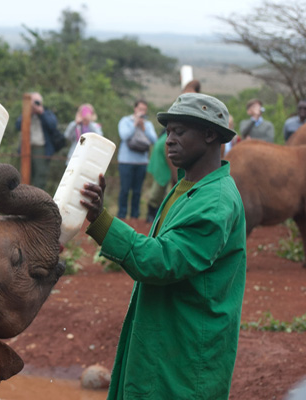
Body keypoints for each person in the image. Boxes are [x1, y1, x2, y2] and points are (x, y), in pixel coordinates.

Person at [80, 93, 246, 399]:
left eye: (179, 131)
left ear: (210, 134)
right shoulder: (187, 188)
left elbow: (162, 260)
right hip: (166, 336)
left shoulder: (215, 201)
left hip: (186, 351)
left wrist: (102, 222)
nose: (168, 140)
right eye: (167, 131)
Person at [146, 80, 201, 223]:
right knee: (161, 181)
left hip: (178, 146)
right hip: (166, 149)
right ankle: (152, 212)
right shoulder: (188, 99)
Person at [116, 99, 158, 219]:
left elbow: (154, 140)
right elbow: (124, 136)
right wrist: (134, 124)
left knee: (137, 191)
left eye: (144, 110)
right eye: (140, 109)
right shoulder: (125, 121)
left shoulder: (148, 124)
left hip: (142, 162)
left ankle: (135, 216)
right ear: (135, 109)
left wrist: (144, 127)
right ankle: (122, 215)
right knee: (124, 190)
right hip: (126, 161)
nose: (142, 112)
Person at [15, 92, 62, 190]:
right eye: (33, 102)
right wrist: (28, 113)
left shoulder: (47, 113)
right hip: (26, 148)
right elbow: (18, 126)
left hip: (41, 148)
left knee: (40, 175)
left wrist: (41, 113)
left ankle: (36, 197)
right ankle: (24, 195)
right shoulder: (26, 114)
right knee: (24, 175)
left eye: (37, 102)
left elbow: (52, 126)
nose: (35, 105)